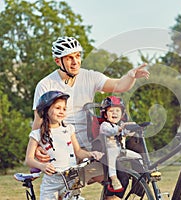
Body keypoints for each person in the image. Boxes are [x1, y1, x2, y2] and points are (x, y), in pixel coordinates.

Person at [32, 36, 149, 200]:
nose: (75, 62)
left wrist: (131, 76)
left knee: (124, 161)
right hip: (64, 143)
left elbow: (118, 85)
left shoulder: (89, 77)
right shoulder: (46, 84)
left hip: (91, 139)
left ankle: (143, 178)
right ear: (58, 61)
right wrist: (37, 146)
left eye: (77, 56)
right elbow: (39, 121)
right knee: (64, 190)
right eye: (69, 58)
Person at [25, 90, 104, 199]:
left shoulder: (69, 129)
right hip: (52, 182)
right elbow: (28, 159)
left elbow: (79, 152)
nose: (62, 111)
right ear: (46, 110)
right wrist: (42, 166)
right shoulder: (37, 134)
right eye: (57, 108)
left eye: (64, 109)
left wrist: (91, 154)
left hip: (70, 179)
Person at [98, 96, 142, 191]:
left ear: (122, 114)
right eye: (111, 111)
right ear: (105, 115)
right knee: (112, 154)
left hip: (121, 150)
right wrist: (121, 128)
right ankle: (113, 178)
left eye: (117, 111)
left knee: (138, 156)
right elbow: (111, 131)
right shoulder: (104, 125)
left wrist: (135, 128)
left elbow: (127, 133)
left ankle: (140, 176)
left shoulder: (119, 125)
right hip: (109, 151)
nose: (114, 113)